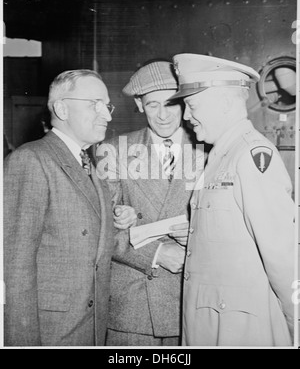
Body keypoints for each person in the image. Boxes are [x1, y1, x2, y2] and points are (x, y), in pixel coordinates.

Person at [168, 53, 295, 347]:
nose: (186, 116)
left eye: (192, 105)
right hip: (215, 324)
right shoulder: (220, 154)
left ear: (225, 103)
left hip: (242, 330)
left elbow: (283, 255)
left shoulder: (251, 156)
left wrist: (294, 324)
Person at [96, 61, 205, 346]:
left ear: (184, 103)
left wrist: (197, 237)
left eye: (171, 103)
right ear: (140, 105)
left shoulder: (209, 150)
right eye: (153, 104)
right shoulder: (113, 150)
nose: (164, 115)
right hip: (134, 305)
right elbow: (99, 228)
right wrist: (155, 254)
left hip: (194, 299)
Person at [4, 69, 116, 346]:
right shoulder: (31, 160)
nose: (108, 115)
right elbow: (15, 266)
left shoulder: (87, 164)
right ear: (62, 108)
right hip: (53, 332)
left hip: (88, 329)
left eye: (108, 105)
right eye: (95, 104)